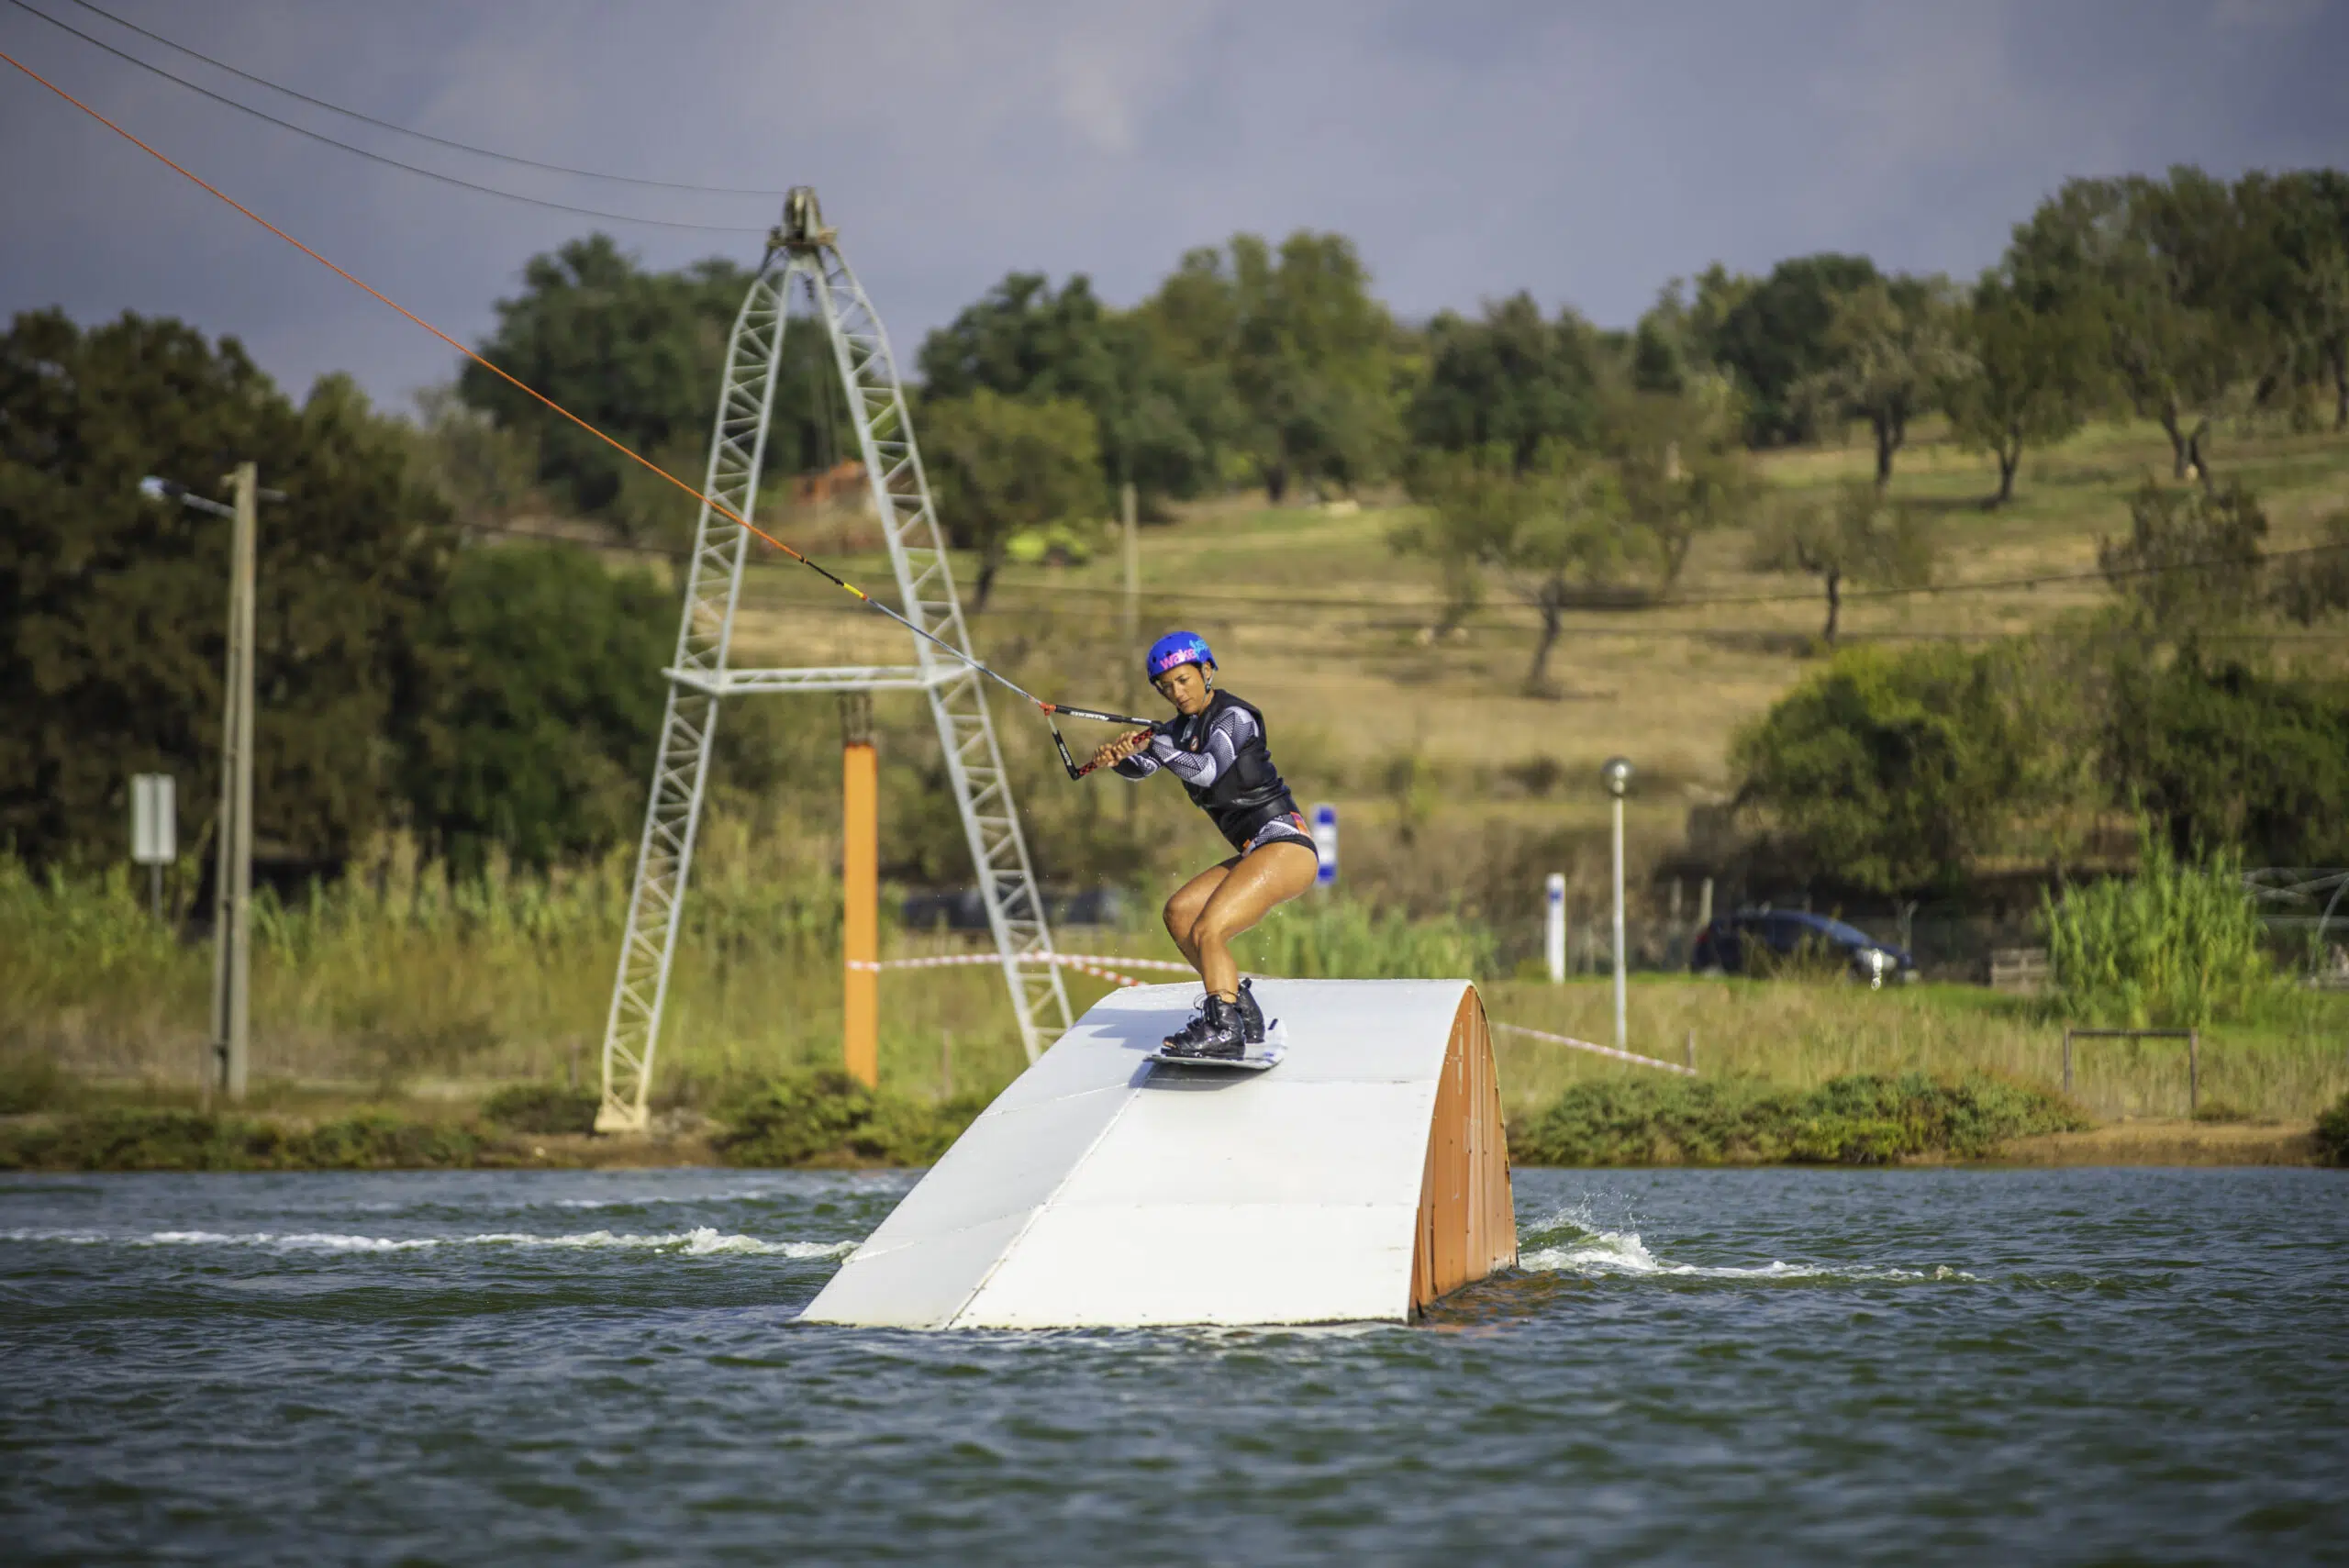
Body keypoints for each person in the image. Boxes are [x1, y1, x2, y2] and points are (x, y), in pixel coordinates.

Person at [1088, 631, 1319, 1059]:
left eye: (1183, 680)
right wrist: (1121, 762)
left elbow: (1210, 770)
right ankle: (1241, 1009)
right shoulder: (1177, 731)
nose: (1177, 692)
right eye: (1166, 686)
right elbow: (1146, 766)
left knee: (1208, 929)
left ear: (1206, 671)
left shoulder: (1235, 716)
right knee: (1180, 914)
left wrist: (1160, 745)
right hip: (1257, 849)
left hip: (1286, 843)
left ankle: (1223, 1027)